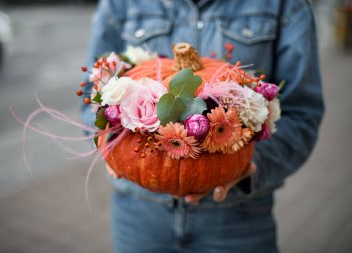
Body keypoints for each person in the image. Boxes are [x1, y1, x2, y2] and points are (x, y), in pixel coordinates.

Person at [81, 0, 325, 252]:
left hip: (239, 219)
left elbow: (302, 113)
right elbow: (93, 93)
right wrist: (107, 142)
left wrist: (252, 164)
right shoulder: (119, 4)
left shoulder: (284, 5)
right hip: (139, 215)